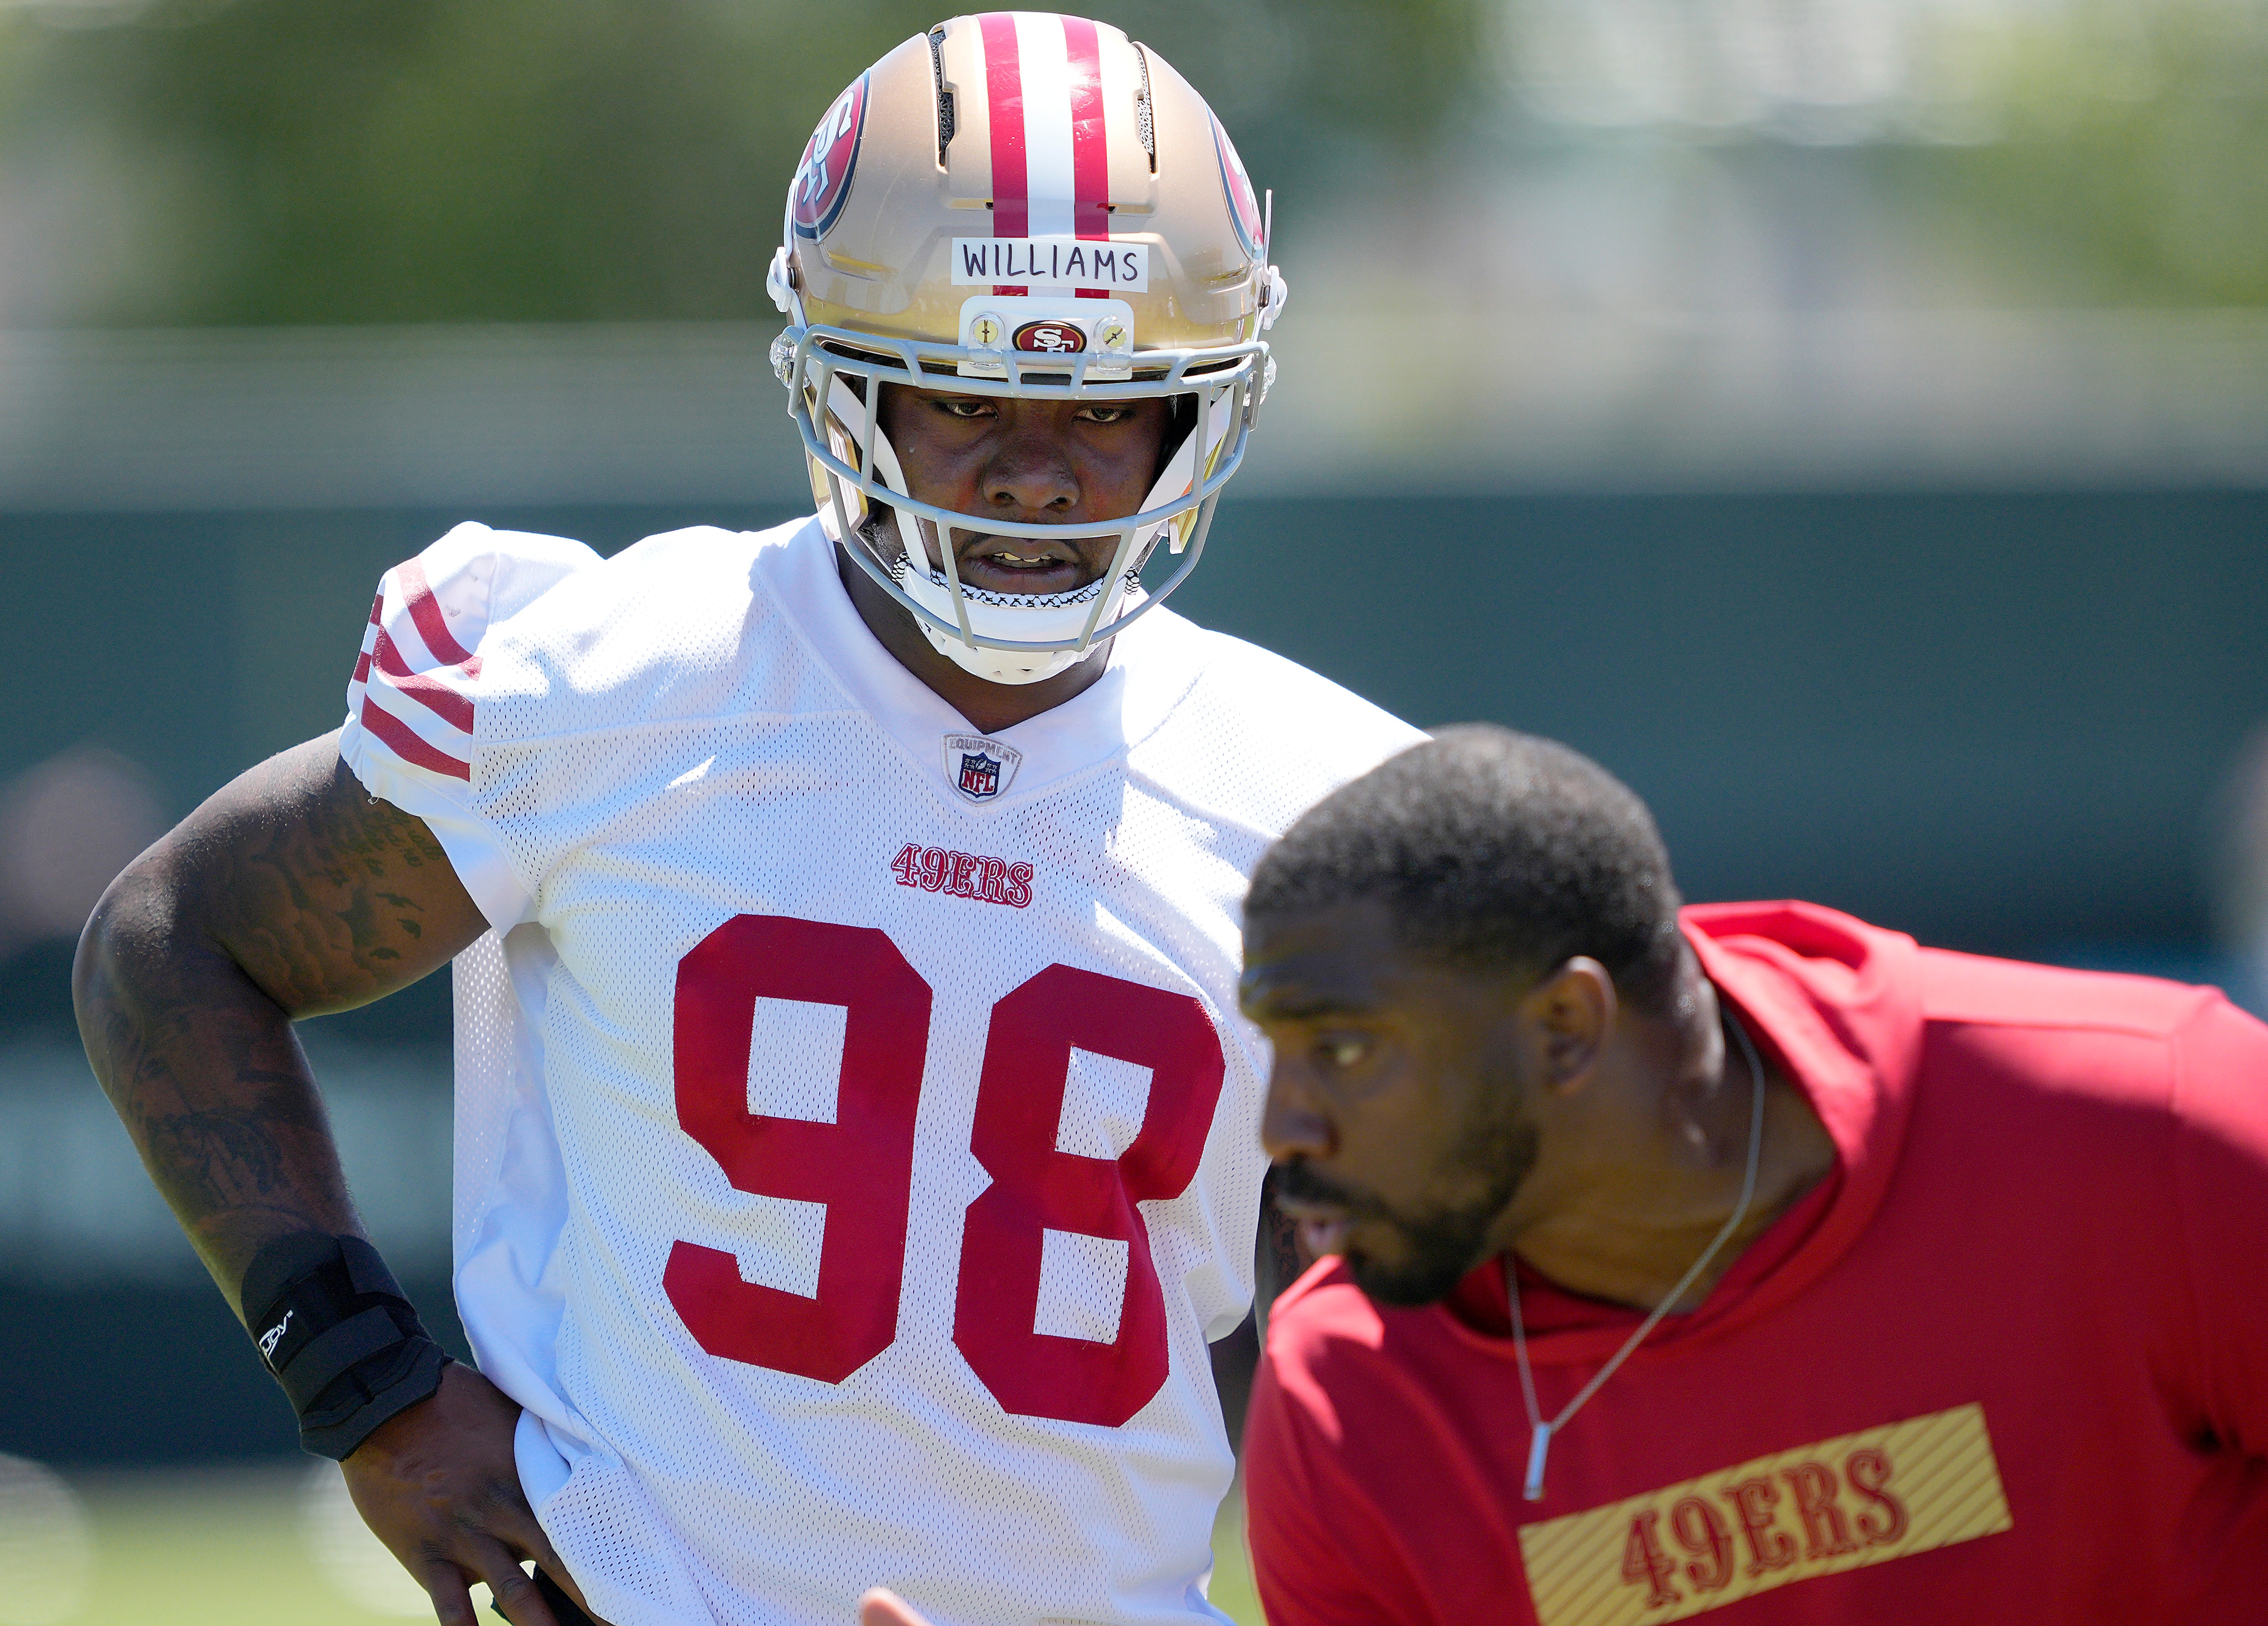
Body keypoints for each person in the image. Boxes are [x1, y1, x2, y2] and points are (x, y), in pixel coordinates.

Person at [72, 17, 1419, 1626]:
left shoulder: (1329, 818)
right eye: (966, 399)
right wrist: (365, 1386)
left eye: (1107, 407)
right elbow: (173, 939)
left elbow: (1430, 1338)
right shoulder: (615, 686)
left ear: (1199, 414)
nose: (1041, 479)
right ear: (846, 389)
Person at [1235, 727, 2268, 1626]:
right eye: (1277, 1049)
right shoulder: (1347, 1403)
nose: (1282, 1125)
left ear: (1565, 1029)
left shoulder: (2157, 1126)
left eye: (1345, 1050)